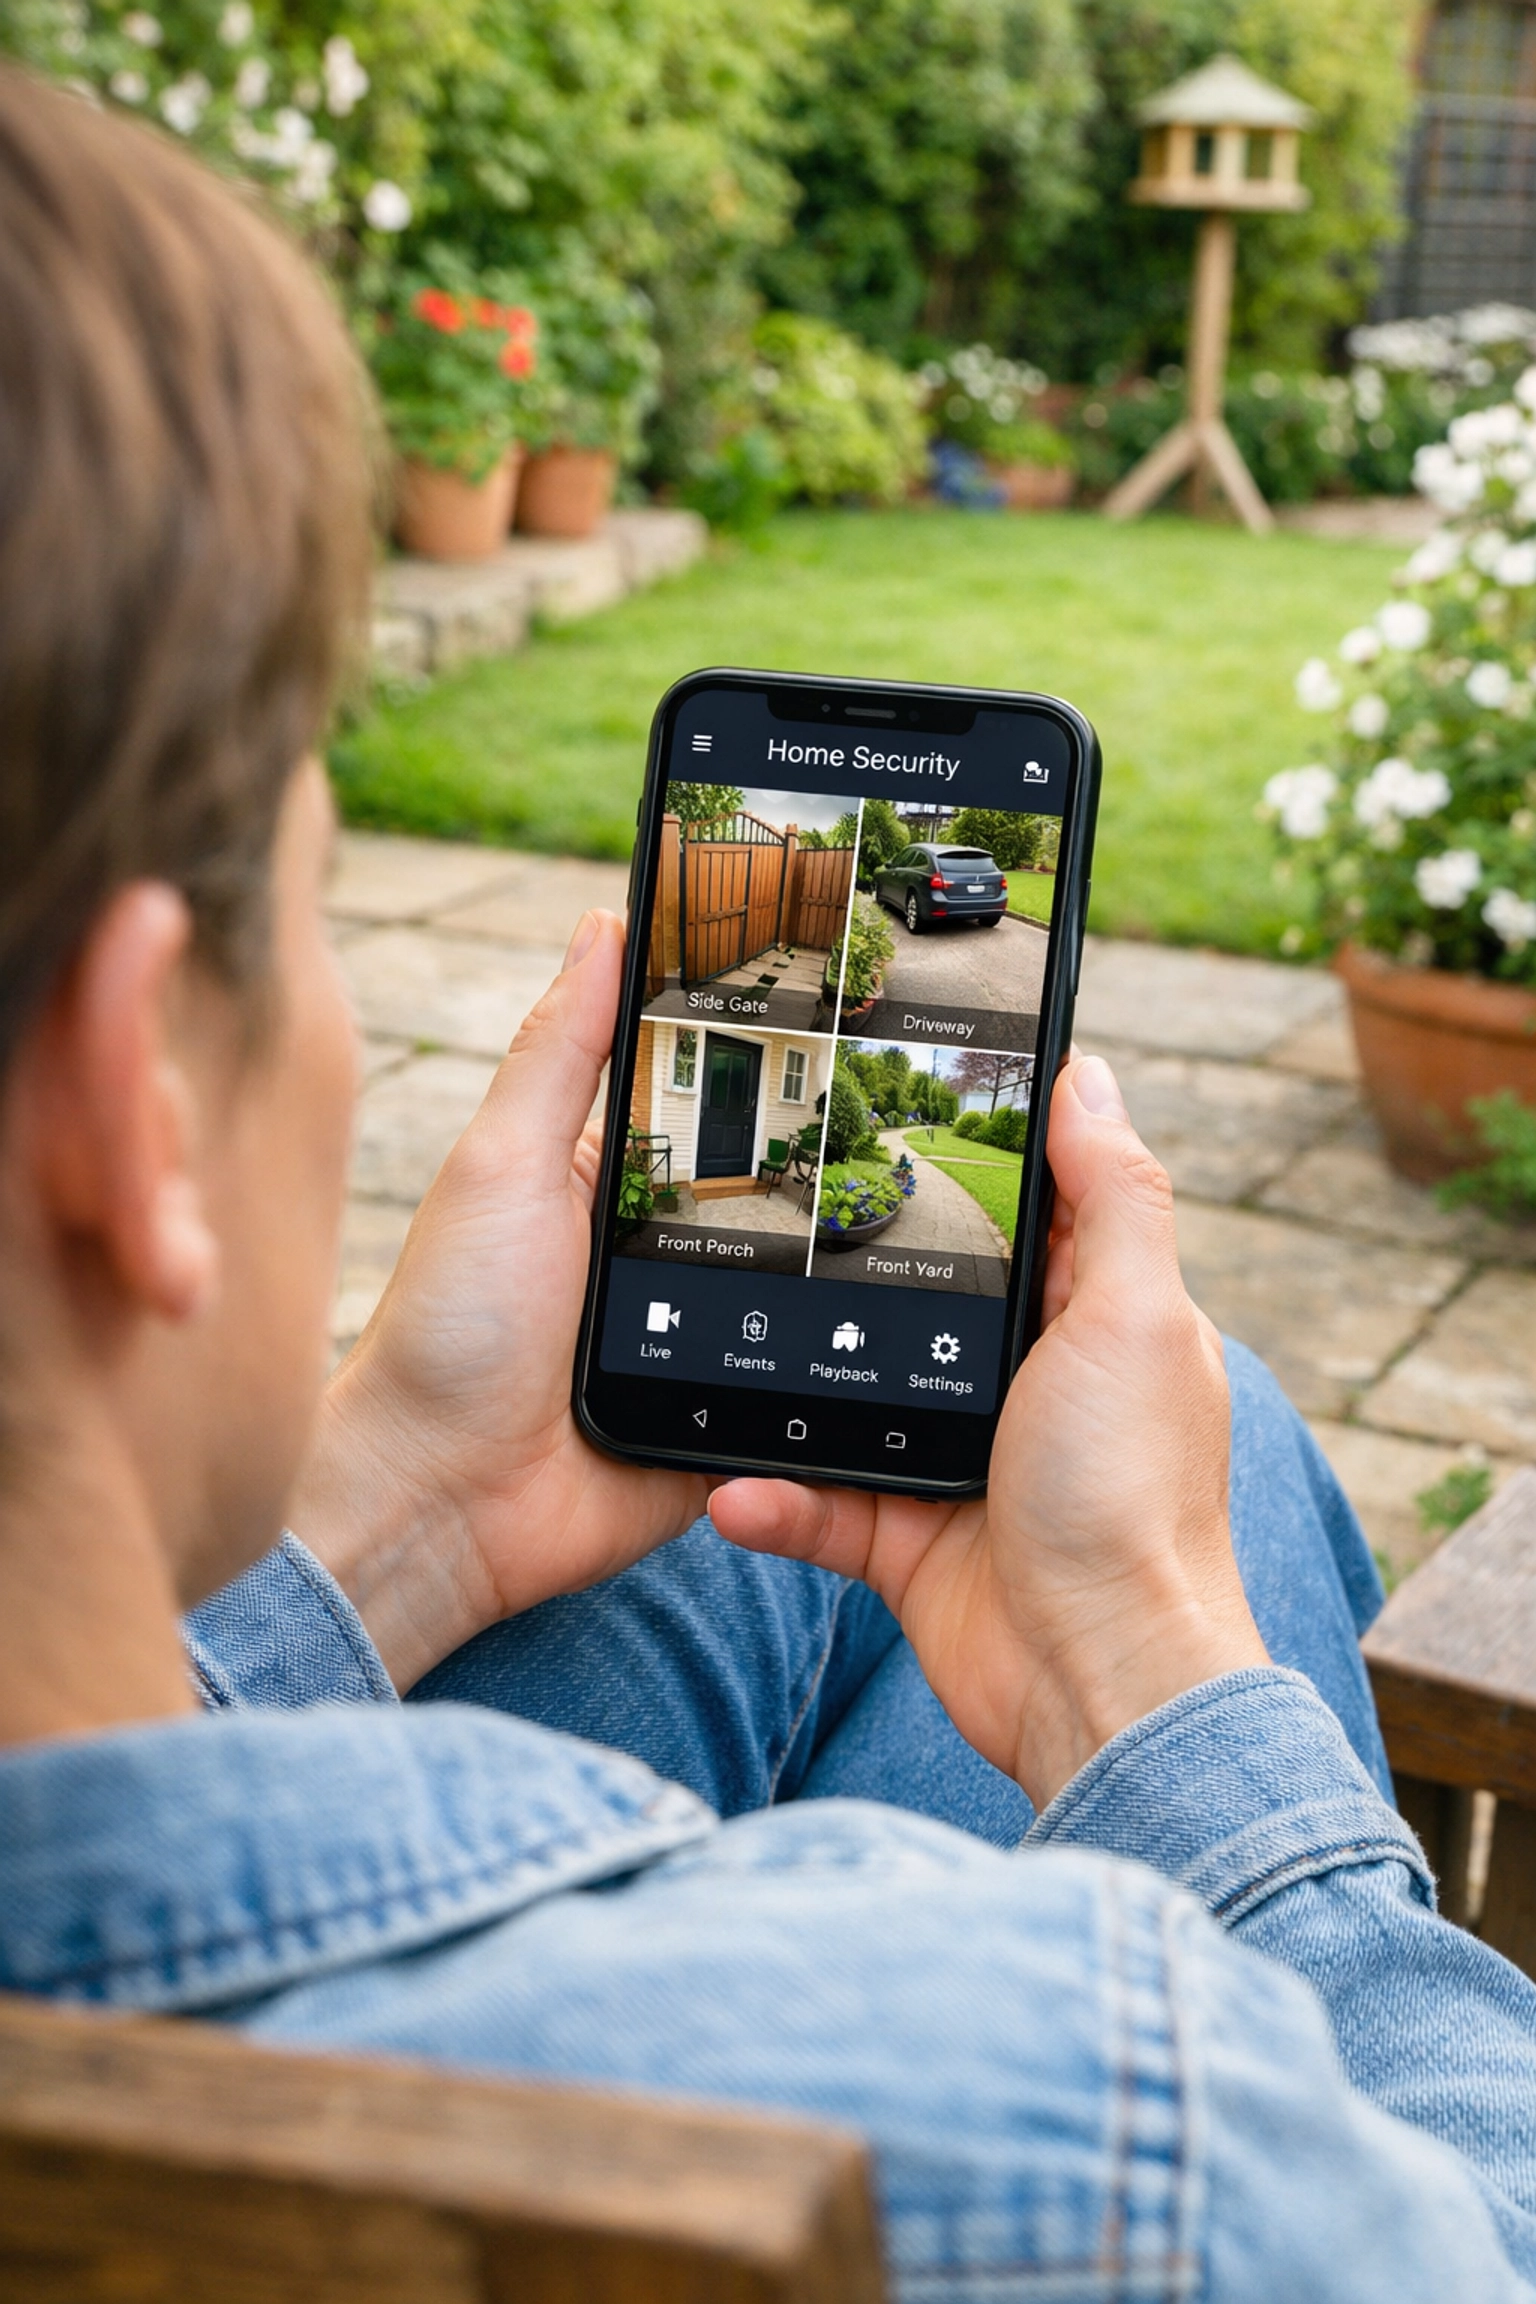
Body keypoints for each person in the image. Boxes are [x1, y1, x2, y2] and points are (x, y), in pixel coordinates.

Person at [2, 67, 1536, 2301]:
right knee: (1198, 1437)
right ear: (132, 1091)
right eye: (309, 923)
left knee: (776, 1527)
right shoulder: (1107, 2123)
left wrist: (401, 1520)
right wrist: (1162, 1685)